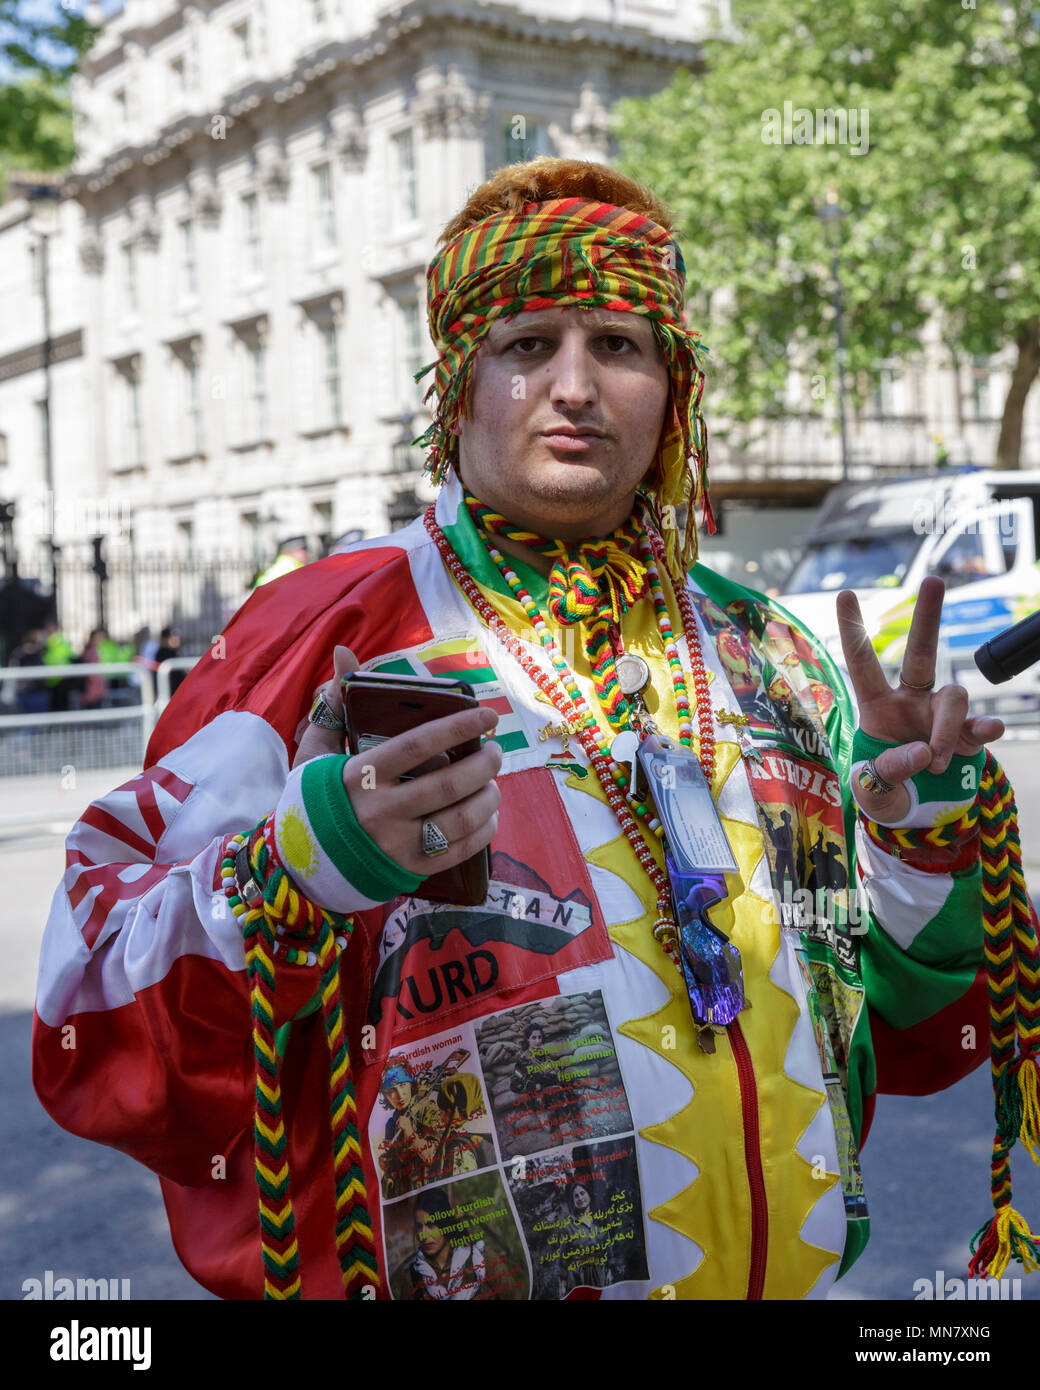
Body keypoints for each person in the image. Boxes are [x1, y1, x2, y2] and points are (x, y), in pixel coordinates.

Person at [32, 157, 1040, 1302]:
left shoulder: (773, 657)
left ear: (672, 392)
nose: (575, 385)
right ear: (456, 389)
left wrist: (914, 835)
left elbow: (905, 1026)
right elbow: (88, 997)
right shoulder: (319, 632)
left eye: (619, 346)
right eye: (525, 346)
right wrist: (296, 870)